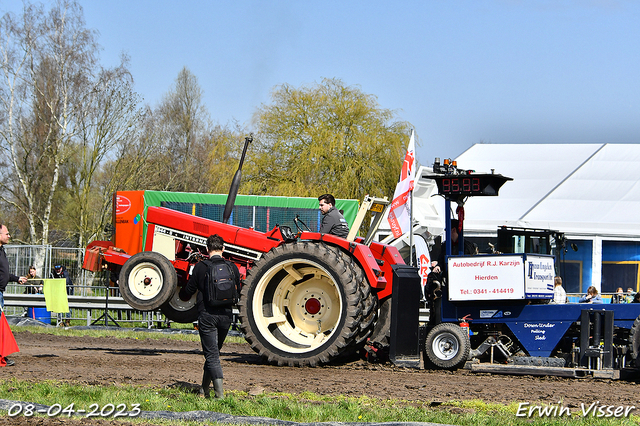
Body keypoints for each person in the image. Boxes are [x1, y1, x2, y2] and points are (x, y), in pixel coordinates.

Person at [179, 234, 241, 399]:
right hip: (226, 316)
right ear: (223, 248)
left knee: (212, 355)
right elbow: (239, 290)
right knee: (213, 352)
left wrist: (180, 293)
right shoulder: (232, 267)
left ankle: (219, 395)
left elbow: (189, 290)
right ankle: (203, 390)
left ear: (207, 249)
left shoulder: (201, 267)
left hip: (207, 316)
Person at [0, 224, 27, 367]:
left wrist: (17, 279)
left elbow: (3, 274)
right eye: (7, 233)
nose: (9, 236)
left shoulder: (2, 251)